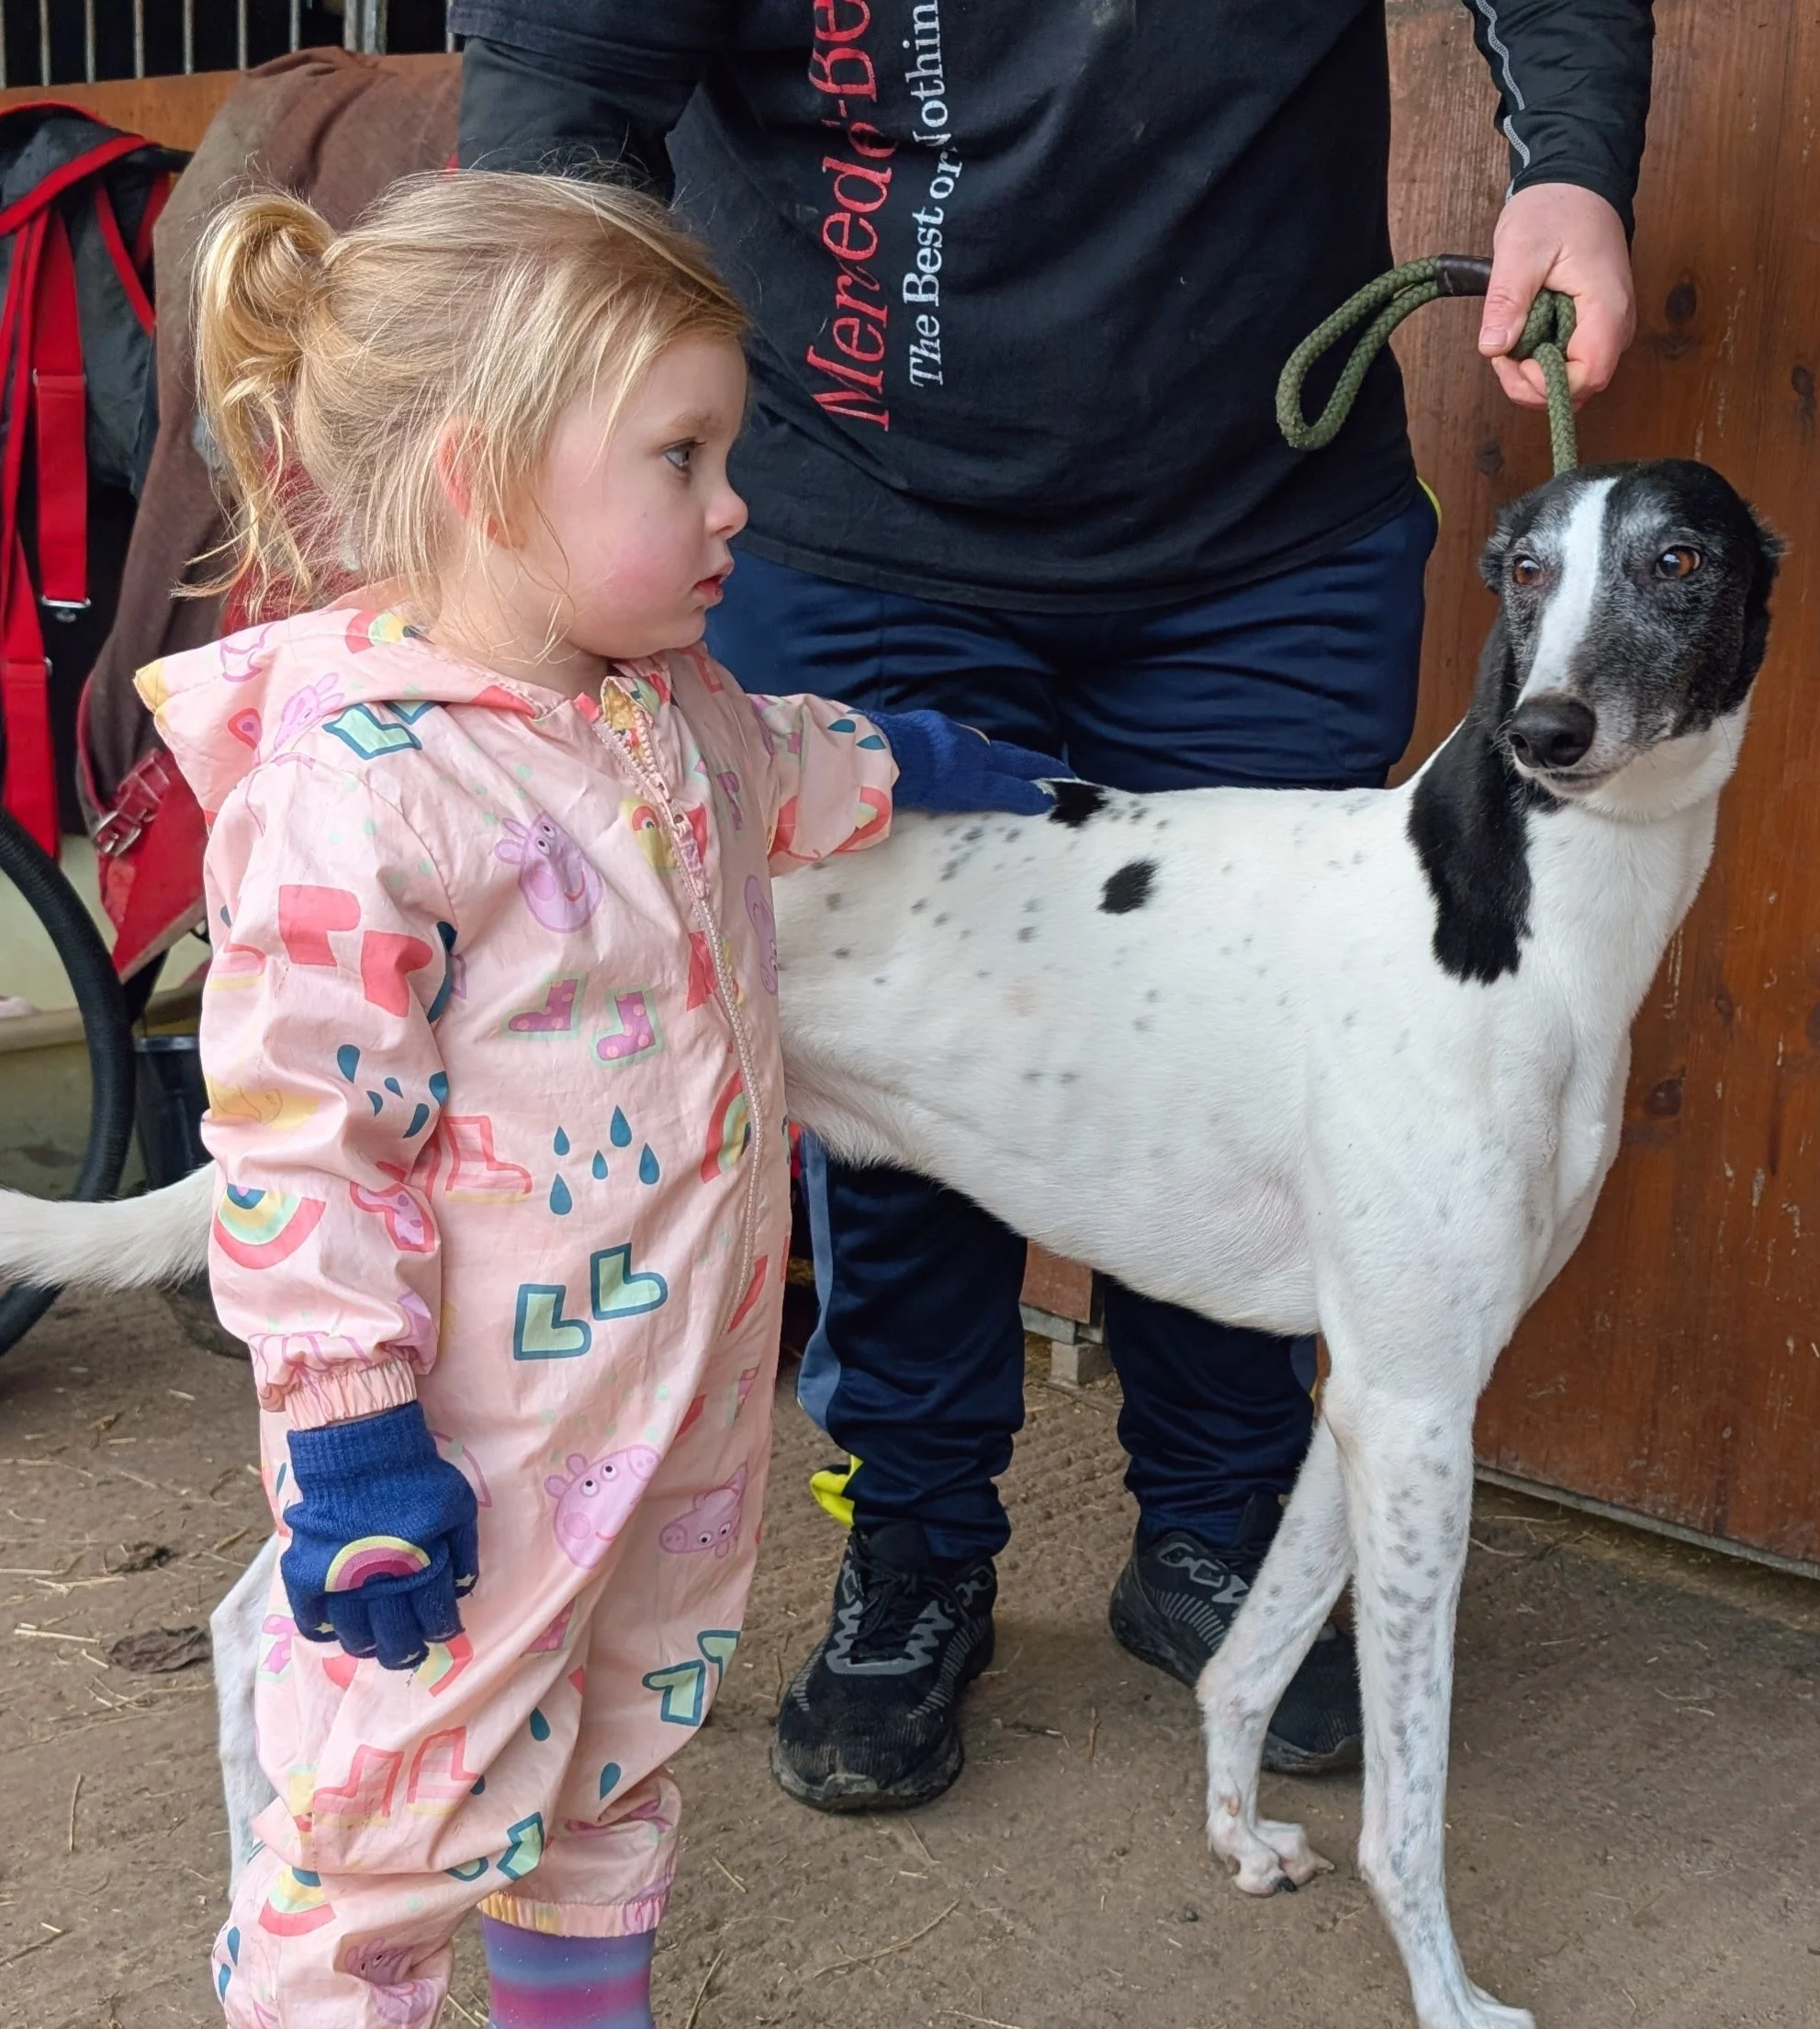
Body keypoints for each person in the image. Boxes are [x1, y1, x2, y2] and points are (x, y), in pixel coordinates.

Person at [454, 0, 1654, 1818]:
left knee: (1273, 1030)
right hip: (847, 512)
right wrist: (587, 425)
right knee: (901, 1057)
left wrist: (1567, 160)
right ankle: (918, 1544)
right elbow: (560, 95)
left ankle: (1220, 1525)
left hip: (1258, 516)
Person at [153, 169, 1065, 2029]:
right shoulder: (362, 801)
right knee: (395, 1797)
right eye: (682, 458)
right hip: (450, 1450)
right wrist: (353, 1435)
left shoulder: (655, 702)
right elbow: (296, 1145)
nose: (737, 501)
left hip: (671, 1404)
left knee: (638, 1709)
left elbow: (777, 785)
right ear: (481, 477)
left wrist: (928, 769)